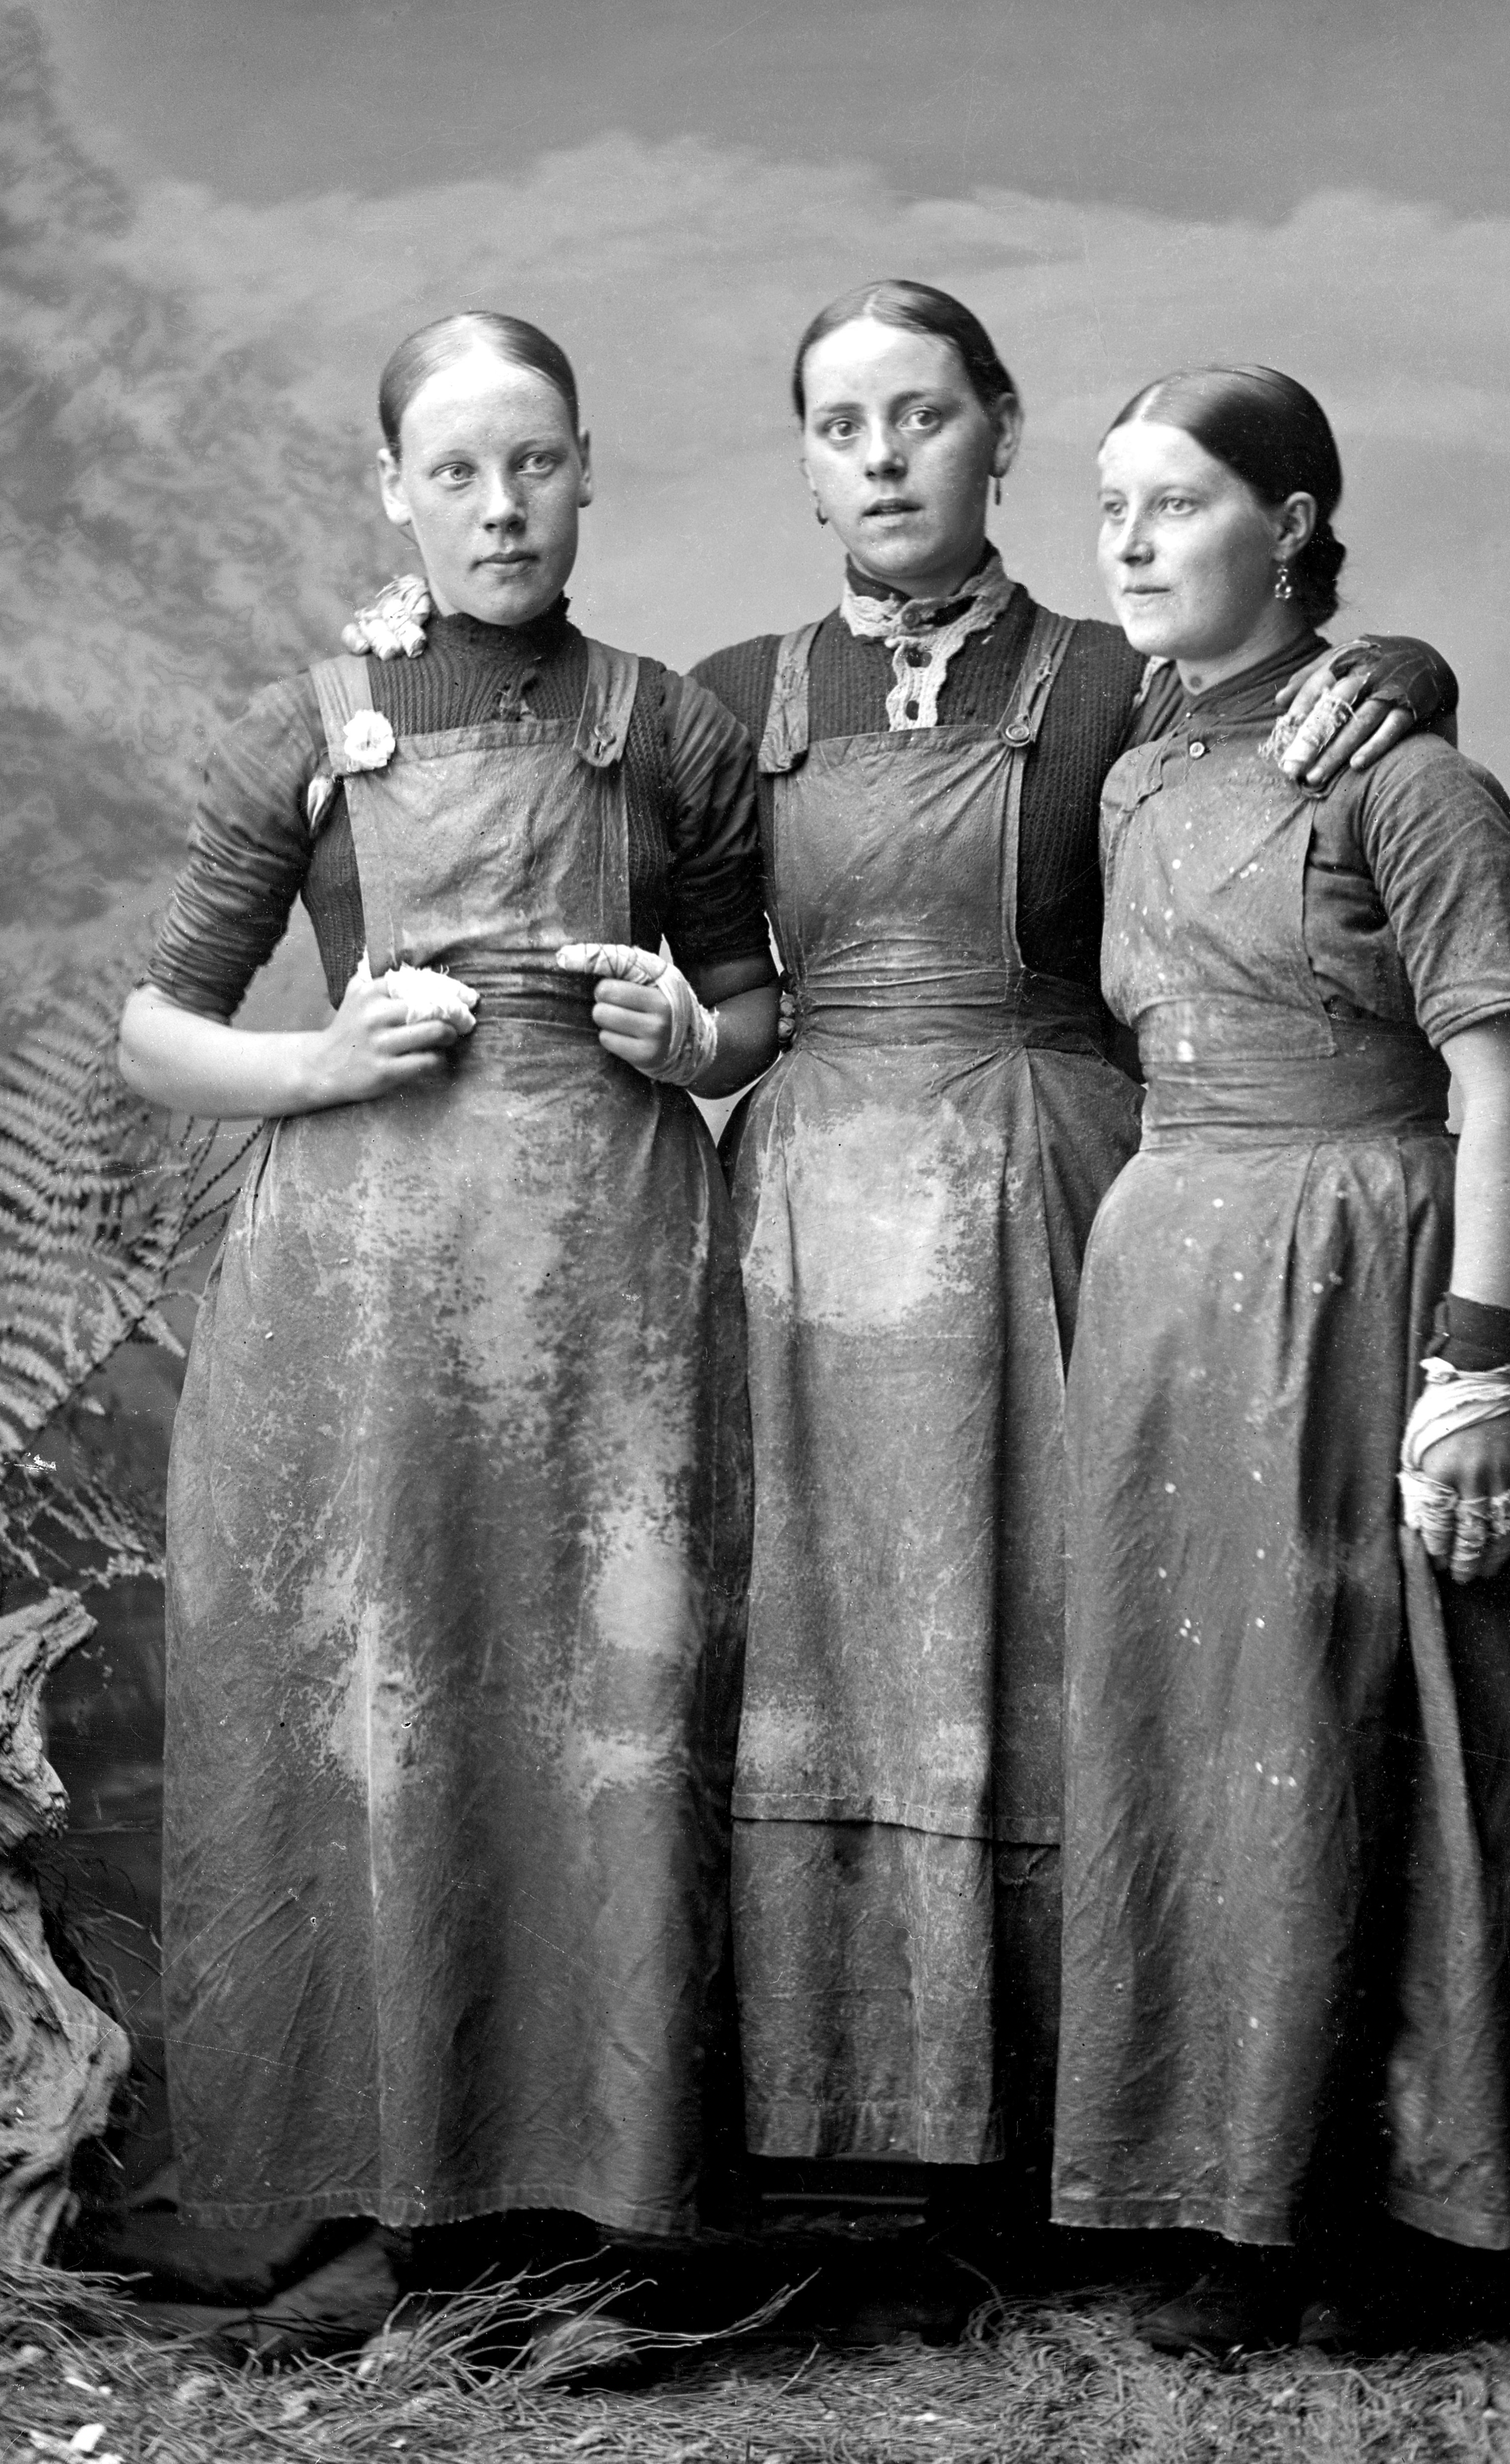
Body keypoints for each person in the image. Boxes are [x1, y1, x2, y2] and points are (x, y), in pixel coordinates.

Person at [344, 284, 1458, 2296]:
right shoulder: (722, 696)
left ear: (998, 431)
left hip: (1056, 1209)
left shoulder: (1118, 673)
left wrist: (1402, 663)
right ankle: (815, 2131)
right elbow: (656, 949)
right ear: (802, 459)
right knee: (815, 1656)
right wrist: (676, 1034)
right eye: (841, 424)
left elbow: (1290, 714)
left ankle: (1073, 2148)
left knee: (1066, 1637)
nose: (882, 457)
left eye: (922, 416)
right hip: (798, 1240)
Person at [119, 311, 779, 2260]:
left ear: (588, 472)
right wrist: (322, 1060)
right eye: (462, 469)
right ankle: (392, 2197)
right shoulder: (312, 722)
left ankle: (615, 2201)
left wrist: (690, 1032)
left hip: (614, 1314)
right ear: (392, 489)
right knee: (381, 1715)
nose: (505, 504)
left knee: (609, 1724)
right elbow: (161, 1030)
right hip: (364, 1303)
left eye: (541, 462)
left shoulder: (671, 725)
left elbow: (751, 1007)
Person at [1053, 365, 1510, 2351]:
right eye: (1111, 506)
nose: (1131, 544)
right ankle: (1226, 2194)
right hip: (1168, 1290)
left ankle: (1397, 2213)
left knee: (1368, 1727)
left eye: (1179, 504)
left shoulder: (1411, 781)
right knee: (1206, 1733)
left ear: (1295, 522)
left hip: (1367, 1282)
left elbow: (1502, 1083)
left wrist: (1472, 1363)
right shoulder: (1137, 769)